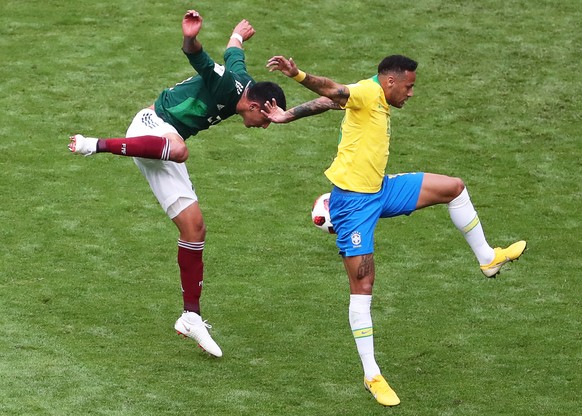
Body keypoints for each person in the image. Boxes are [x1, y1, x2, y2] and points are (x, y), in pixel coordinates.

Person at [265, 54, 526, 406]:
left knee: (454, 187)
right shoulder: (366, 92)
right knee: (363, 285)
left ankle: (488, 258)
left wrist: (287, 115)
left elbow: (328, 102)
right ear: (391, 82)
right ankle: (371, 374)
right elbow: (330, 88)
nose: (411, 93)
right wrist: (296, 74)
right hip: (354, 205)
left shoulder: (368, 94)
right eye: (409, 86)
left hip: (380, 189)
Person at [68, 10, 286, 358]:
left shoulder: (245, 83)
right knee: (182, 149)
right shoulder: (226, 85)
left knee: (195, 228)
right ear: (257, 106)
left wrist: (238, 35)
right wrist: (189, 36)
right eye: (267, 120)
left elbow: (234, 54)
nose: (265, 126)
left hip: (164, 144)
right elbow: (198, 56)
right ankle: (96, 144)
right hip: (150, 128)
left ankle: (190, 317)